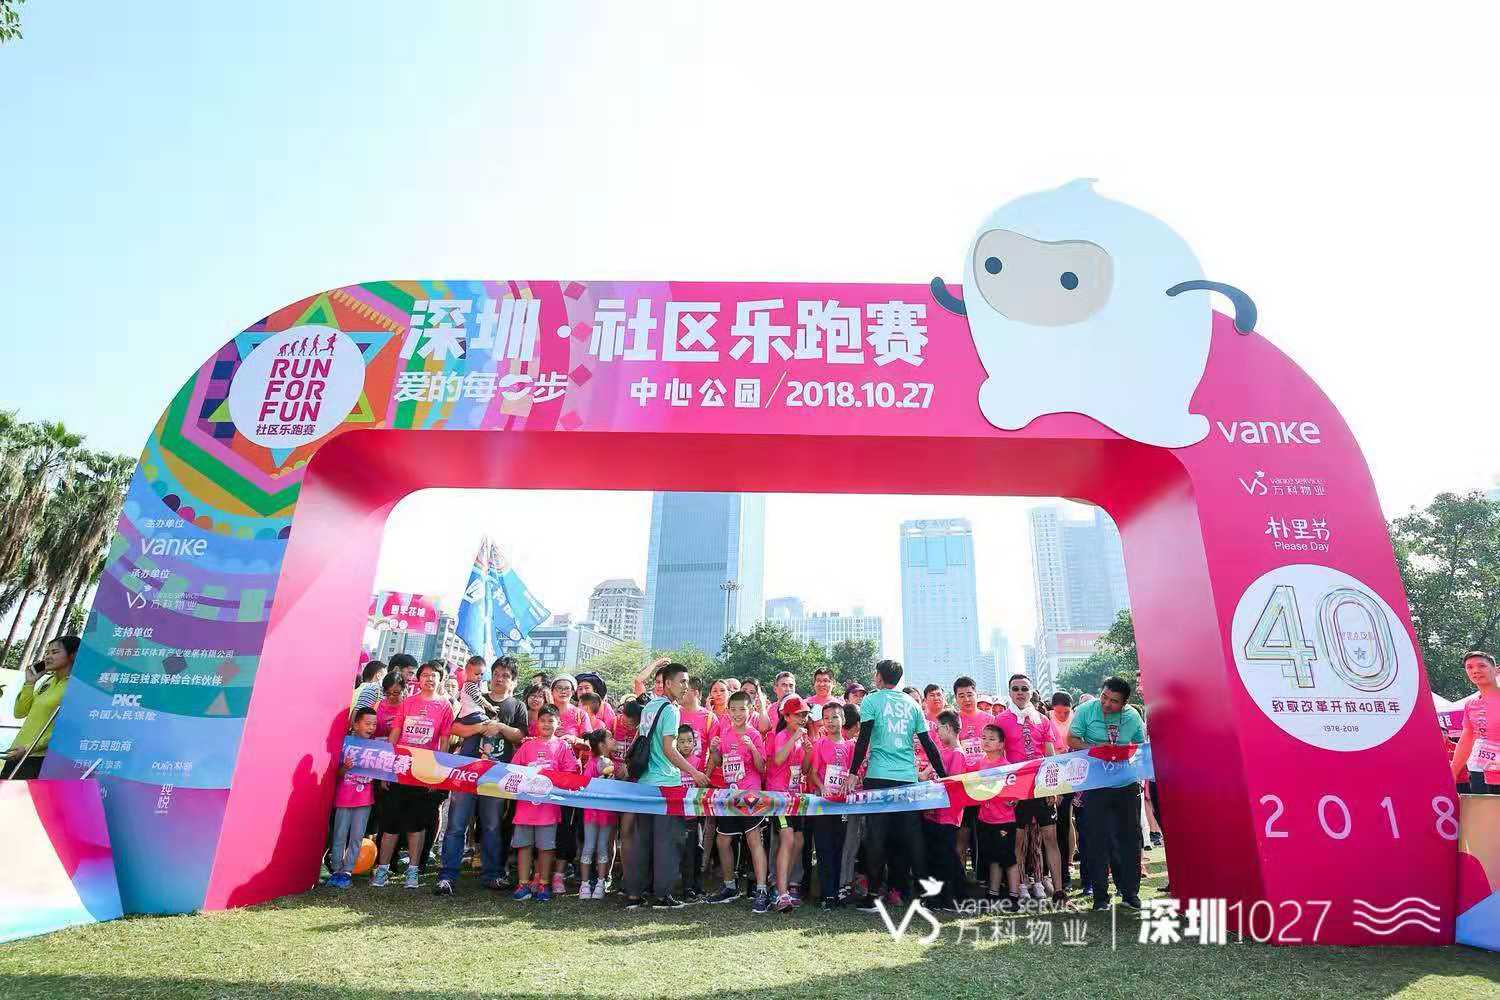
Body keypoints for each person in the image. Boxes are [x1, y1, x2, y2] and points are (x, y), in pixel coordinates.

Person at [848, 659, 947, 911]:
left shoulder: (871, 700)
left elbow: (863, 739)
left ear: (879, 677)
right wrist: (944, 775)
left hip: (879, 776)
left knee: (876, 837)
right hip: (907, 779)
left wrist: (853, 772)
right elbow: (928, 743)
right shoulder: (912, 704)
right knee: (914, 838)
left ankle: (873, 896)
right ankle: (928, 896)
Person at [624, 661, 709, 910]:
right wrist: (694, 772)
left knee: (642, 842)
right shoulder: (671, 710)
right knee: (668, 843)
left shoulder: (650, 705)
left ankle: (634, 893)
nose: (686, 686)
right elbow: (670, 750)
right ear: (668, 683)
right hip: (666, 784)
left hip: (644, 782)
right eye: (682, 682)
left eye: (687, 682)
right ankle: (663, 895)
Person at [434, 657, 514, 896]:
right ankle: (447, 876)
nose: (499, 679)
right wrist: (480, 728)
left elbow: (520, 735)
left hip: (494, 775)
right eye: (495, 673)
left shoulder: (515, 705)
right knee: (456, 825)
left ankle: (492, 875)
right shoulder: (474, 696)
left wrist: (500, 727)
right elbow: (454, 728)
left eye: (505, 675)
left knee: (492, 826)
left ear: (513, 680)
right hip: (466, 772)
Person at [372, 661, 455, 889]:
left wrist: (436, 775)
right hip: (400, 769)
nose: (429, 679)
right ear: (418, 679)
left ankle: (413, 871)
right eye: (425, 675)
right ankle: (382, 870)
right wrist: (387, 768)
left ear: (440, 679)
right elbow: (395, 734)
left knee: (416, 825)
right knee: (390, 823)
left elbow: (444, 743)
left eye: (434, 676)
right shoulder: (407, 703)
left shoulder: (445, 706)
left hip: (423, 773)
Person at [1068, 676, 1147, 911]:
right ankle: (1100, 896)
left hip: (1126, 784)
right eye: (1104, 697)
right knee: (1096, 839)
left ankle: (1130, 893)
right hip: (1096, 784)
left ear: (1124, 703)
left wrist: (1122, 752)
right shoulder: (1086, 710)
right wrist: (1096, 750)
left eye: (1114, 701)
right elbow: (1071, 739)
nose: (1106, 703)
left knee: (1129, 839)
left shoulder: (1133, 716)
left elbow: (1140, 747)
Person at [995, 672, 1066, 904]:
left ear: (1031, 691)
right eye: (1015, 689)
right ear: (1009, 692)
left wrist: (1054, 787)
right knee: (1018, 840)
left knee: (1050, 838)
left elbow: (1051, 755)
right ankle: (1019, 887)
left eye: (1024, 688)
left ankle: (1059, 891)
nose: (1020, 693)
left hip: (1041, 786)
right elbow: (998, 756)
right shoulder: (1001, 720)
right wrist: (1006, 790)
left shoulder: (1042, 719)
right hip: (1016, 789)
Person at [705, 689, 771, 911]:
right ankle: (729, 886)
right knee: (722, 841)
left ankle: (761, 890)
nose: (737, 714)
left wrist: (752, 747)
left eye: (742, 709)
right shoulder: (725, 732)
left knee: (754, 841)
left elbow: (762, 768)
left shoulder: (754, 734)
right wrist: (713, 750)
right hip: (730, 795)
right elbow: (719, 761)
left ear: (750, 710)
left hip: (750, 795)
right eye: (733, 709)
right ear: (728, 711)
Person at [510, 705, 581, 901]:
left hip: (549, 809)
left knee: (546, 847)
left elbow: (570, 773)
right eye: (543, 720)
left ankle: (543, 884)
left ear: (558, 723)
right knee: (524, 845)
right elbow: (513, 770)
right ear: (536, 723)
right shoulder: (527, 746)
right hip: (525, 807)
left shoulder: (562, 746)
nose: (546, 724)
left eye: (551, 720)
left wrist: (552, 778)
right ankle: (523, 884)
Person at [766, 695, 816, 912]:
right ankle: (781, 892)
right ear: (786, 717)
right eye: (798, 715)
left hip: (796, 797)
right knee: (786, 838)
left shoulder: (802, 738)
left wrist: (808, 752)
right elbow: (778, 760)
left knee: (799, 840)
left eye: (805, 714)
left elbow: (804, 769)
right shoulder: (781, 736)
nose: (802, 718)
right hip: (779, 798)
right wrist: (794, 737)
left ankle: (783, 883)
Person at [5, 636, 77, 779]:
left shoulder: (75, 687)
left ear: (73, 655)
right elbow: (20, 712)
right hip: (16, 752)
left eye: (55, 652)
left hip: (39, 759)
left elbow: (66, 730)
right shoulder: (48, 681)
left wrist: (29, 748)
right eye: (47, 653)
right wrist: (30, 683)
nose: (48, 657)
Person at [921, 711, 969, 911]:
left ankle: (956, 897)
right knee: (937, 855)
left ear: (948, 728)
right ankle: (940, 898)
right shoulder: (942, 751)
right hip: (935, 813)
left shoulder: (957, 754)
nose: (937, 733)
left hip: (948, 814)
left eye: (938, 728)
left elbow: (952, 785)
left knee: (947, 856)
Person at [327, 708, 378, 888]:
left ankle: (347, 871)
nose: (371, 727)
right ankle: (336, 869)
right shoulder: (345, 743)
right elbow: (337, 773)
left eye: (374, 724)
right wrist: (345, 767)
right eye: (367, 723)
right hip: (344, 797)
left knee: (357, 836)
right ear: (355, 725)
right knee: (339, 834)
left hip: (365, 799)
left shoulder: (377, 748)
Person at [809, 700, 852, 909]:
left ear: (843, 719)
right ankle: (827, 894)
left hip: (843, 806)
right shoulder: (820, 744)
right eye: (826, 718)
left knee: (840, 847)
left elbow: (854, 773)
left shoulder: (851, 746)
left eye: (835, 717)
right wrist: (821, 787)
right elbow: (813, 773)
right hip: (824, 804)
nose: (831, 721)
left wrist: (849, 783)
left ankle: (839, 891)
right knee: (824, 848)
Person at [975, 723, 1021, 908]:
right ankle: (993, 894)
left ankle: (1014, 897)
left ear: (1001, 744)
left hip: (1004, 821)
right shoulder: (981, 763)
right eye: (984, 737)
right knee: (993, 857)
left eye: (992, 739)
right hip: (985, 818)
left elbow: (1016, 791)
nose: (986, 741)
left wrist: (1014, 799)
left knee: (1008, 859)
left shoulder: (1007, 767)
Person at [1452, 651, 1499, 793]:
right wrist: (1453, 771)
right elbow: (1466, 740)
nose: (1475, 670)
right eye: (1469, 667)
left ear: (1496, 670)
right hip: (1490, 776)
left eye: (1482, 666)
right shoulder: (1471, 705)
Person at [578, 729, 617, 899]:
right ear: (601, 745)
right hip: (595, 812)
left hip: (603, 812)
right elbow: (586, 784)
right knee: (594, 847)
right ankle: (588, 884)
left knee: (597, 847)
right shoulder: (596, 763)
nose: (614, 740)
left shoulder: (605, 762)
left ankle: (596, 884)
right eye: (610, 738)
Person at [1048, 691, 1078, 890]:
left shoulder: (1076, 721)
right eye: (1058, 712)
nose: (1062, 716)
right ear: (1053, 709)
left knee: (1065, 823)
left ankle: (1066, 869)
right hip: (1051, 777)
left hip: (1071, 776)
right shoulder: (1046, 720)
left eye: (1066, 712)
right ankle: (1050, 873)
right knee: (1052, 827)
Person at [373, 672, 405, 737]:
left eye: (395, 693)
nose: (391, 696)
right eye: (388, 693)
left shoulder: (407, 707)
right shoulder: (377, 706)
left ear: (403, 689)